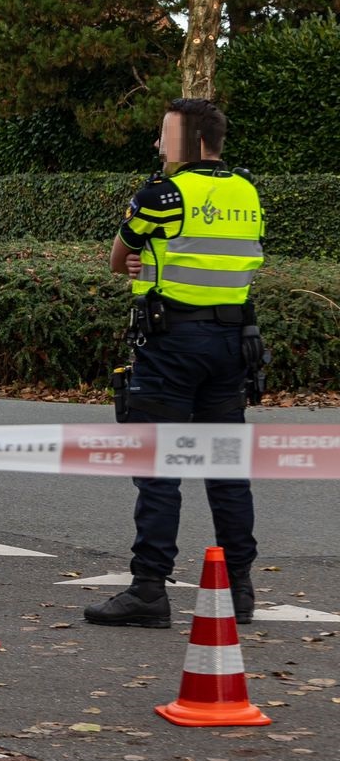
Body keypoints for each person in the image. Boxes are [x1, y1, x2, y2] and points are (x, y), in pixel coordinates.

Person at [87, 98, 264, 630]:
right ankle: (240, 589)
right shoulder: (246, 191)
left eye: (165, 136)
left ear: (191, 142)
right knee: (226, 469)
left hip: (170, 345)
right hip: (233, 343)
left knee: (159, 469)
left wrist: (149, 256)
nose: (158, 146)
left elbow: (119, 258)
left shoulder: (162, 195)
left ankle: (148, 591)